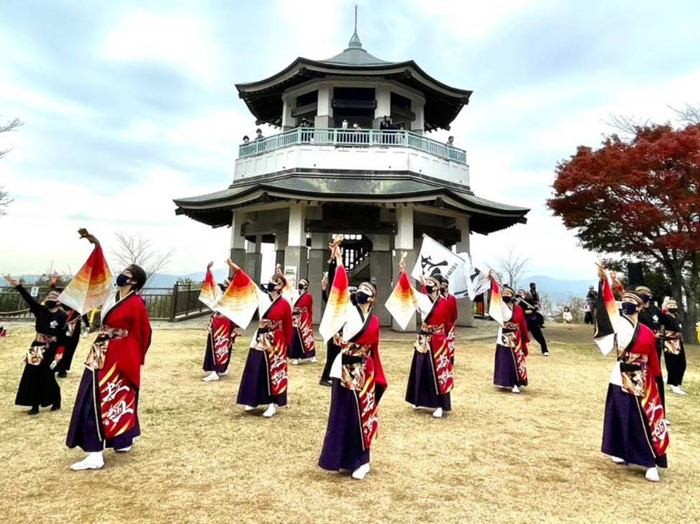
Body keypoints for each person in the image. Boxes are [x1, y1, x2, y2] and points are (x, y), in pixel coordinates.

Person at [66, 231, 152, 471]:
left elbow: (144, 334)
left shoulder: (135, 304)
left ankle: (96, 453)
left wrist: (133, 357)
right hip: (101, 350)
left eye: (127, 274)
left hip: (118, 355)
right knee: (98, 394)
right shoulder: (111, 294)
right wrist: (97, 246)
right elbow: (98, 275)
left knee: (103, 396)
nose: (122, 275)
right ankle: (121, 440)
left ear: (134, 281)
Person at [318, 242, 387, 480]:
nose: (361, 291)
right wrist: (337, 261)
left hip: (363, 371)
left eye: (367, 289)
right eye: (360, 288)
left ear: (373, 298)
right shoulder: (347, 309)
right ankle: (341, 459)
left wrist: (376, 373)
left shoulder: (375, 321)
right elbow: (338, 290)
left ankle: (362, 460)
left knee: (361, 415)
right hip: (343, 367)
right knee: (341, 414)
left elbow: (374, 350)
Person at [599, 279, 669, 482]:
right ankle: (620, 450)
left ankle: (650, 461)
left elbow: (653, 359)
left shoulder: (647, 332)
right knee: (620, 414)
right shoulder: (619, 325)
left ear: (640, 307)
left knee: (642, 418)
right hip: (620, 374)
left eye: (632, 302)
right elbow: (606, 307)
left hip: (642, 377)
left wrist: (657, 379)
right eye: (626, 301)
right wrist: (603, 281)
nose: (628, 305)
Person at [231, 260, 293, 418]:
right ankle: (253, 399)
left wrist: (287, 344)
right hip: (261, 336)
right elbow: (249, 283)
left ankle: (273, 403)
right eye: (271, 281)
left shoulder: (285, 304)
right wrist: (237, 269)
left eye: (275, 282)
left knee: (273, 370)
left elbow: (287, 325)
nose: (271, 284)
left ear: (280, 286)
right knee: (256, 367)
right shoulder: (263, 297)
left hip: (276, 339)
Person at [4, 276, 66, 415]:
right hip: (37, 345)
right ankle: (34, 404)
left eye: (54, 297)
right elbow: (29, 299)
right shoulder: (40, 310)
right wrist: (19, 286)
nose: (50, 299)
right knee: (32, 374)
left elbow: (62, 337)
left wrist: (59, 353)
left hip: (52, 348)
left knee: (47, 375)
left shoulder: (62, 316)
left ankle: (55, 399)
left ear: (59, 302)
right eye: (49, 297)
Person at [404, 273, 455, 418]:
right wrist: (404, 273)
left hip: (438, 340)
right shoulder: (423, 299)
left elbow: (448, 322)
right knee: (421, 368)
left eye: (432, 283)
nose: (429, 284)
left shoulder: (445, 303)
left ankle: (439, 404)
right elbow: (409, 289)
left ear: (438, 287)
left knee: (438, 372)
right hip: (424, 338)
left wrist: (444, 337)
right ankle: (418, 399)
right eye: (428, 282)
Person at [488, 274, 530, 394]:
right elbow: (494, 294)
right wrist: (493, 282)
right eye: (504, 293)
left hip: (516, 335)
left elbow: (522, 324)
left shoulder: (518, 309)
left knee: (515, 360)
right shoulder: (500, 306)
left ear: (512, 296)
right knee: (505, 358)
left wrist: (525, 338)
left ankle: (515, 383)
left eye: (508, 294)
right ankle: (503, 381)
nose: (505, 295)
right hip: (504, 334)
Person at [202, 267, 239, 382]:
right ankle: (221, 368)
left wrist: (234, 328)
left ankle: (216, 370)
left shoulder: (232, 297)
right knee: (219, 346)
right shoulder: (222, 294)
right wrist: (209, 271)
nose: (224, 284)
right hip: (218, 323)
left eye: (226, 283)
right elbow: (212, 285)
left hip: (223, 325)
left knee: (219, 346)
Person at [320, 260, 341, 386]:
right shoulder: (334, 301)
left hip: (337, 330)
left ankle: (331, 376)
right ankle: (325, 377)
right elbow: (328, 296)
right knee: (332, 354)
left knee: (336, 354)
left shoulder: (339, 302)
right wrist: (334, 261)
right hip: (333, 330)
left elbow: (326, 298)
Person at [288, 278, 317, 365]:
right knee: (296, 337)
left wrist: (310, 319)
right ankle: (296, 357)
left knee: (307, 337)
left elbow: (309, 309)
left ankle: (312, 355)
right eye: (300, 282)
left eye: (303, 283)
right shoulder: (295, 293)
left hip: (304, 319)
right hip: (295, 318)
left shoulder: (308, 296)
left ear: (306, 286)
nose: (300, 284)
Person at [662, 299, 687, 395]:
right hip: (669, 343)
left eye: (674, 305)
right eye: (670, 305)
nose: (673, 307)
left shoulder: (676, 317)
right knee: (673, 363)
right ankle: (673, 384)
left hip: (678, 342)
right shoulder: (665, 317)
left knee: (682, 363)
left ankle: (672, 380)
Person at [518, 289, 549, 356]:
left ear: (525, 294)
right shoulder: (519, 304)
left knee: (539, 336)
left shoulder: (530, 301)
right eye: (519, 293)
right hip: (524, 322)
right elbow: (524, 312)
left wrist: (535, 308)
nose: (521, 294)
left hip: (533, 321)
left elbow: (537, 306)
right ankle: (521, 350)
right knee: (521, 336)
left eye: (522, 293)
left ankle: (545, 350)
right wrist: (532, 311)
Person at [439, 276, 458, 365]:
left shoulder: (452, 298)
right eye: (441, 285)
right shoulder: (438, 299)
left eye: (444, 285)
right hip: (440, 326)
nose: (443, 287)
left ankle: (450, 360)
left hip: (450, 325)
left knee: (450, 344)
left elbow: (455, 313)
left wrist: (451, 322)